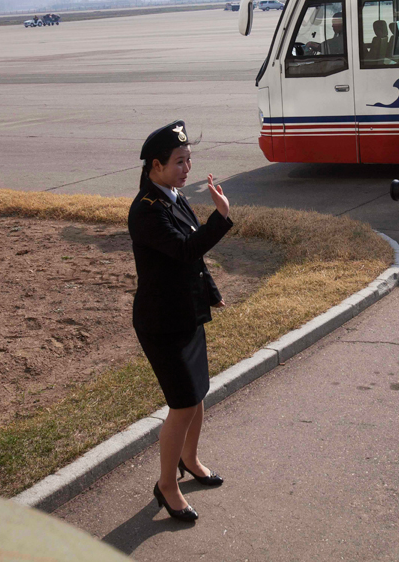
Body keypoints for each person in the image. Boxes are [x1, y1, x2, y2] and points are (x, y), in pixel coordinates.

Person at [127, 120, 233, 522]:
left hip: (187, 314)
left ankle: (190, 459)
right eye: (178, 162)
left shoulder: (172, 195)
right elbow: (187, 248)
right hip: (162, 323)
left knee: (197, 393)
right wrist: (220, 219)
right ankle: (166, 484)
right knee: (182, 402)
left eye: (189, 160)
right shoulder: (146, 210)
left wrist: (211, 291)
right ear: (155, 165)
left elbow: (193, 262)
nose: (186, 168)